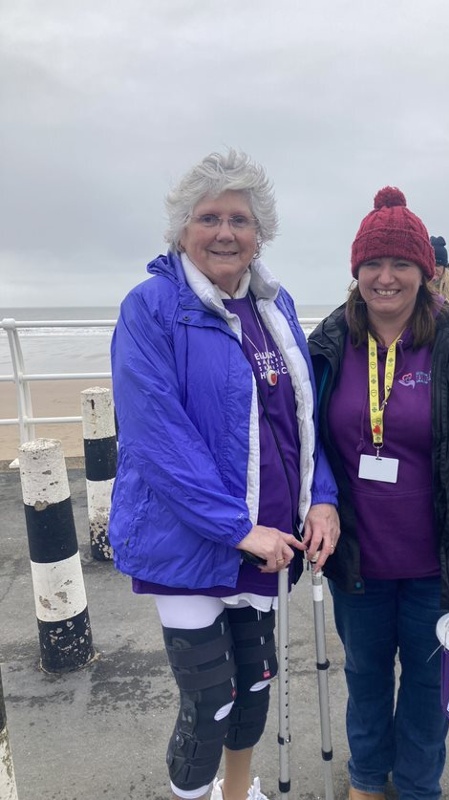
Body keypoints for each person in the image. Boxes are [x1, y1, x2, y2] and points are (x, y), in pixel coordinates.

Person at [109, 149, 340, 800]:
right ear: (182, 230)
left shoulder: (275, 304)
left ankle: (238, 794)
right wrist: (237, 527)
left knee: (255, 688)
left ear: (259, 231)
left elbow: (302, 420)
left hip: (266, 540)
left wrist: (320, 498)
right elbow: (158, 438)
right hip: (190, 544)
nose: (224, 232)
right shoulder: (151, 307)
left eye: (239, 218)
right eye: (208, 217)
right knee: (210, 701)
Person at [308, 187, 449, 800]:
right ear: (355, 273)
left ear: (424, 272)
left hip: (440, 564)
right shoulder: (327, 345)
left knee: (431, 691)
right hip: (357, 563)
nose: (386, 278)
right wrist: (313, 502)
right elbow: (304, 446)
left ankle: (417, 786)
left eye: (401, 264)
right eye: (372, 265)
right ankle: (365, 781)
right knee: (367, 677)